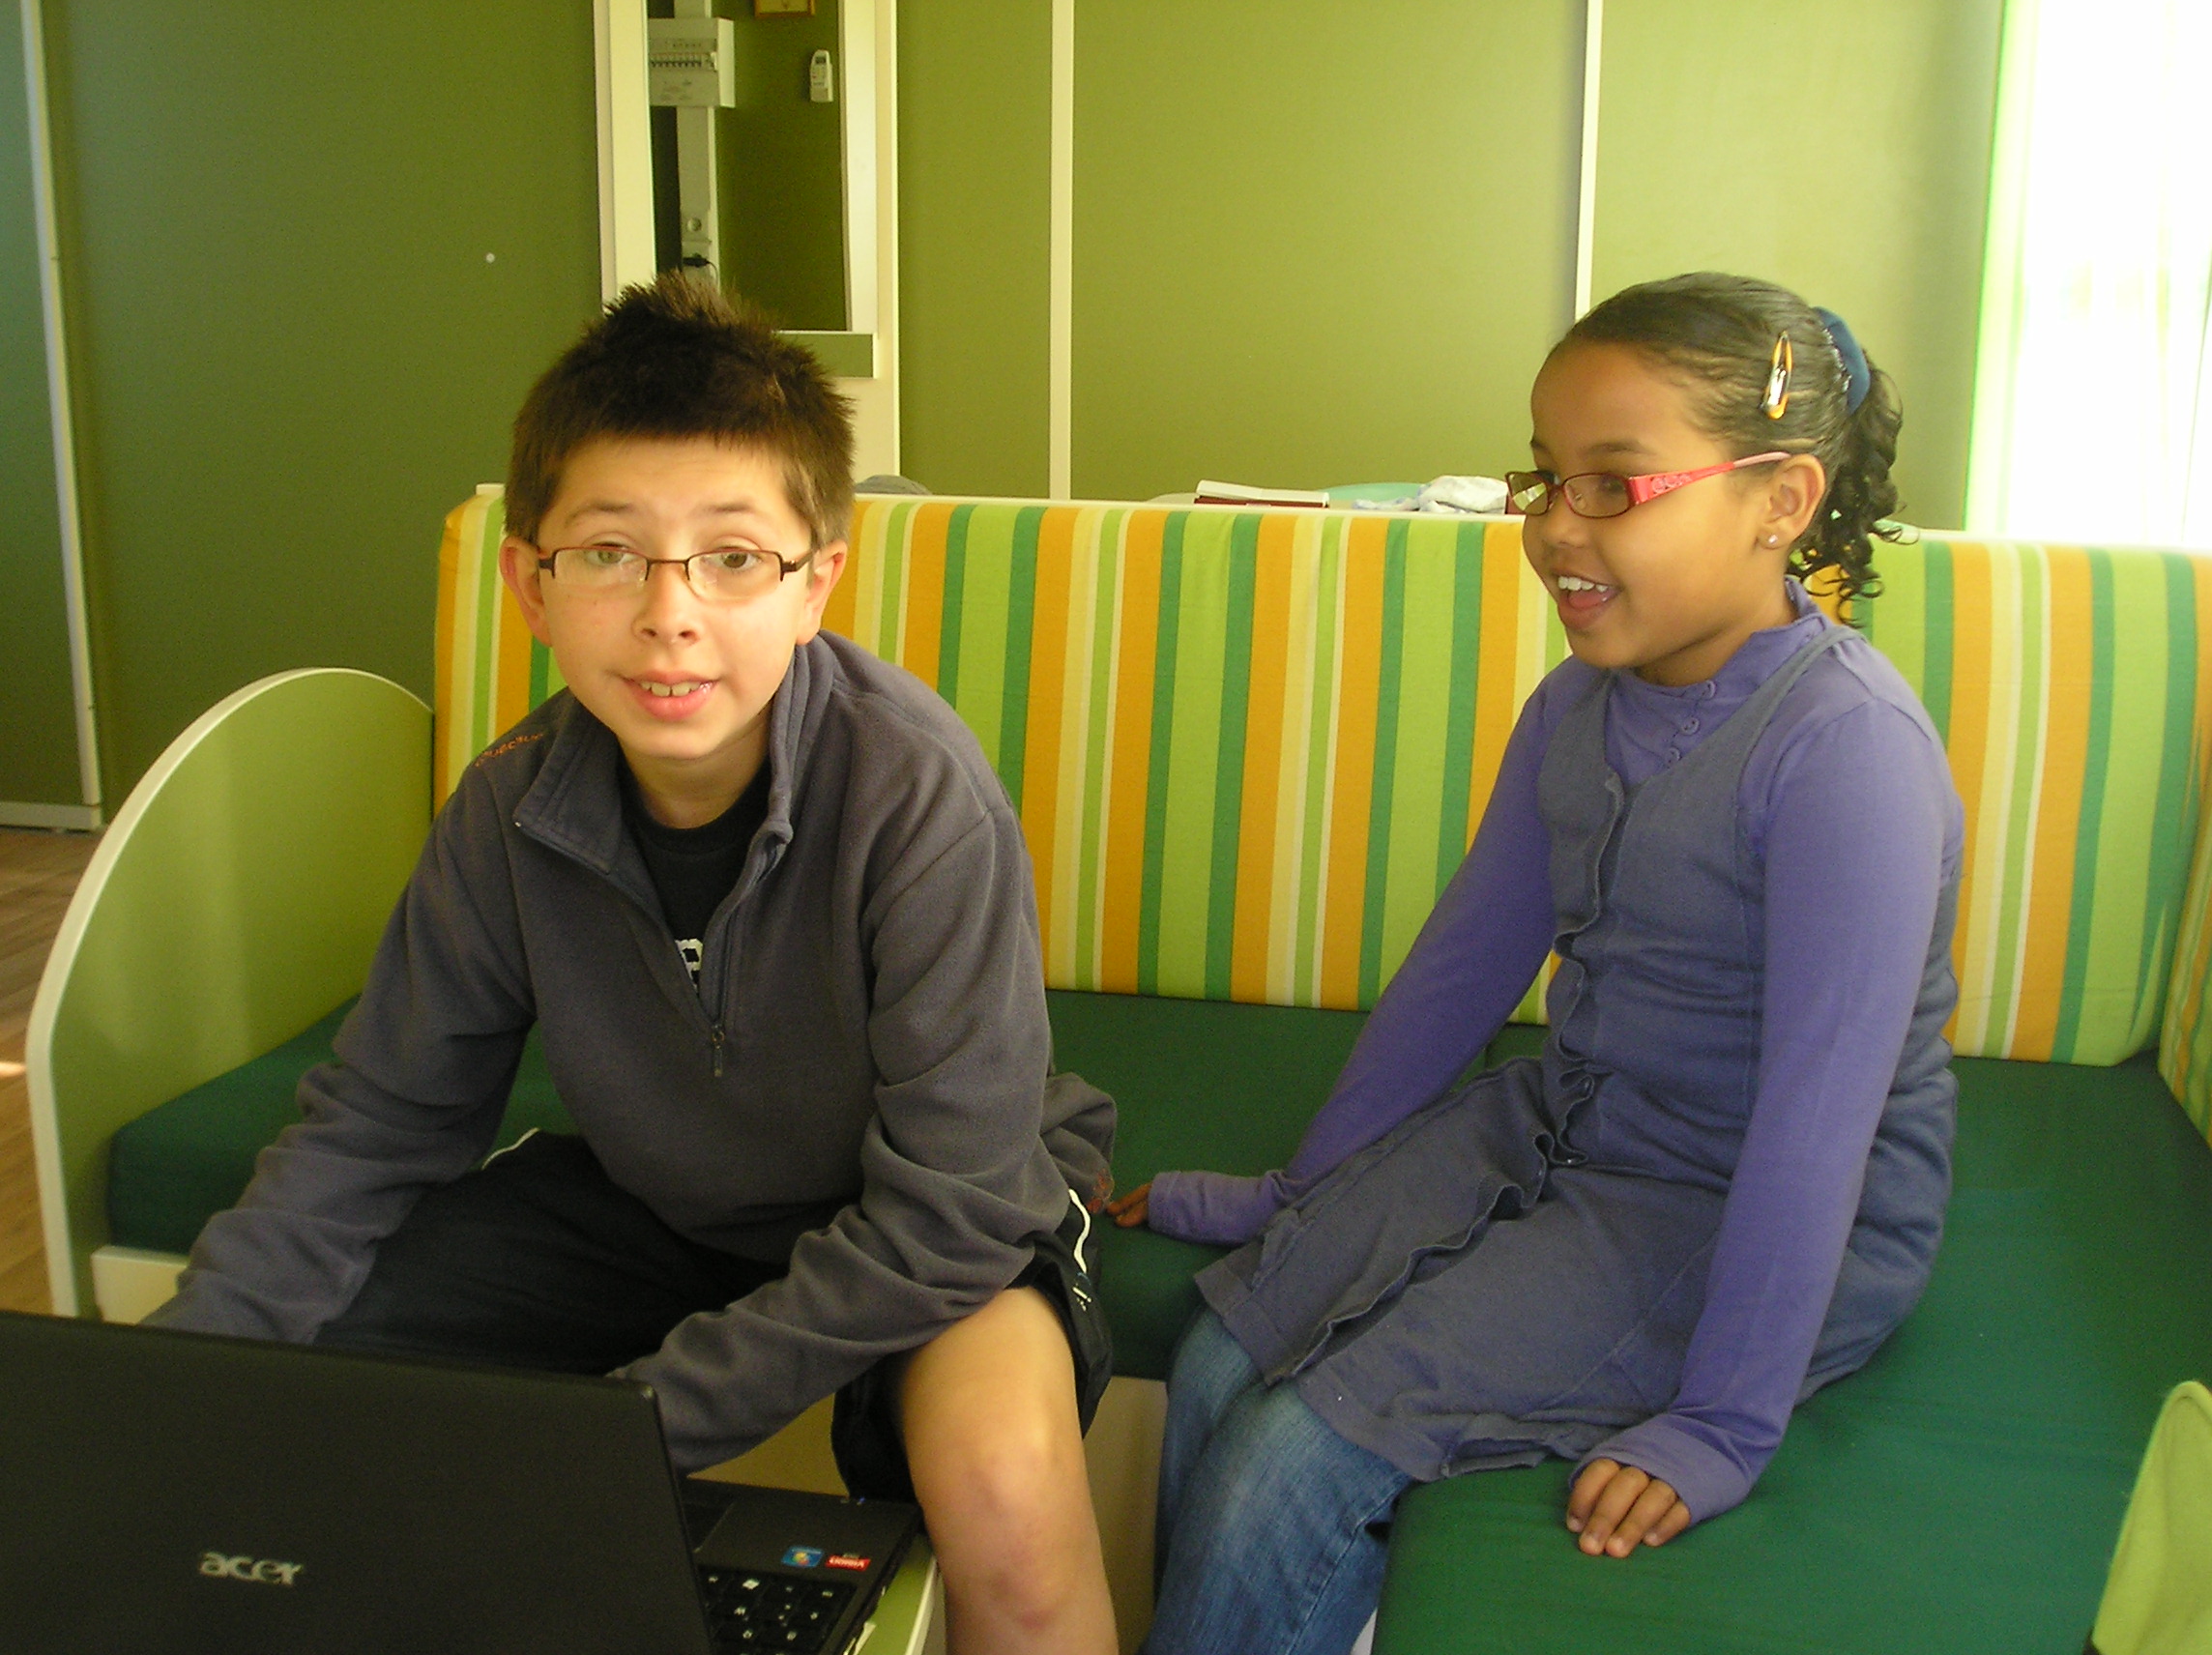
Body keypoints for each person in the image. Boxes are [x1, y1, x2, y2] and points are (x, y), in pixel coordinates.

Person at [150, 273, 1120, 1655]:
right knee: (316, 1369)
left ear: (816, 584)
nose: (670, 613)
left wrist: (633, 1427)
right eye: (609, 553)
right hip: (653, 1205)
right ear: (530, 586)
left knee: (1008, 1498)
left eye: (733, 558)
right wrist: (182, 1382)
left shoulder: (916, 794)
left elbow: (951, 1213)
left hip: (929, 1216)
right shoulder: (508, 807)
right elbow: (377, 1125)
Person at [1107, 272, 1964, 1655]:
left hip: (1749, 1198)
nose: (1558, 525)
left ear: (1781, 501)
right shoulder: (1576, 704)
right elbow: (1463, 967)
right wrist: (1305, 1192)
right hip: (1574, 1122)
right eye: (1546, 478)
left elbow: (1819, 1125)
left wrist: (1723, 1423)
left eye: (1615, 485)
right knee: (1222, 1353)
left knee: (1298, 1449)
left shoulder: (1846, 753)